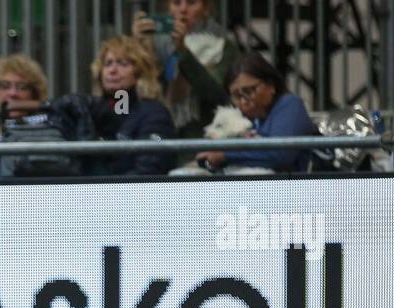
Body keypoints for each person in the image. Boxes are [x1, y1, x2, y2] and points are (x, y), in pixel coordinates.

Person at [132, 0, 238, 142]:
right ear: (168, 7)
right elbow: (125, 98)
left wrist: (183, 51)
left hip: (203, 134)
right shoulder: (156, 42)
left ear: (206, 8)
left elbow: (218, 94)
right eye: (176, 3)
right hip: (154, 132)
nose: (183, 9)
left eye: (191, 2)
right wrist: (139, 50)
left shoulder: (222, 45)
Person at [194, 53, 316, 173]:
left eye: (249, 91)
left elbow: (280, 155)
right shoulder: (239, 116)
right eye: (236, 96)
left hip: (292, 188)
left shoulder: (289, 104)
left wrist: (225, 156)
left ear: (271, 85)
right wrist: (210, 160)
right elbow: (213, 155)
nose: (243, 101)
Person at [87, 35, 177, 176]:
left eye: (122, 64)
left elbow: (150, 169)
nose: (112, 70)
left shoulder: (154, 113)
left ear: (139, 73)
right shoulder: (90, 112)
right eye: (108, 63)